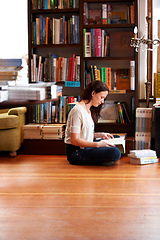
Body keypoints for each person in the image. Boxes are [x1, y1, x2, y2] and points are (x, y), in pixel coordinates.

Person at [64, 80, 121, 166]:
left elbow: (83, 134)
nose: (102, 101)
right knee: (115, 152)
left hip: (86, 147)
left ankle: (104, 160)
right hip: (77, 152)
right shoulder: (77, 111)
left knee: (115, 138)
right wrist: (98, 144)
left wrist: (99, 135)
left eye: (104, 99)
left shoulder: (88, 109)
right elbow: (74, 140)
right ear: (93, 93)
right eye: (101, 97)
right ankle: (104, 160)